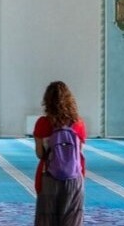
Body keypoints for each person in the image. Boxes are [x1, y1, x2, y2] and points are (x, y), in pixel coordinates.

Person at [34, 80, 89, 226]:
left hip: (49, 178)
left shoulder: (43, 123)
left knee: (46, 220)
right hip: (74, 179)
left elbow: (40, 154)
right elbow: (79, 153)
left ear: (47, 101)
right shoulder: (78, 123)